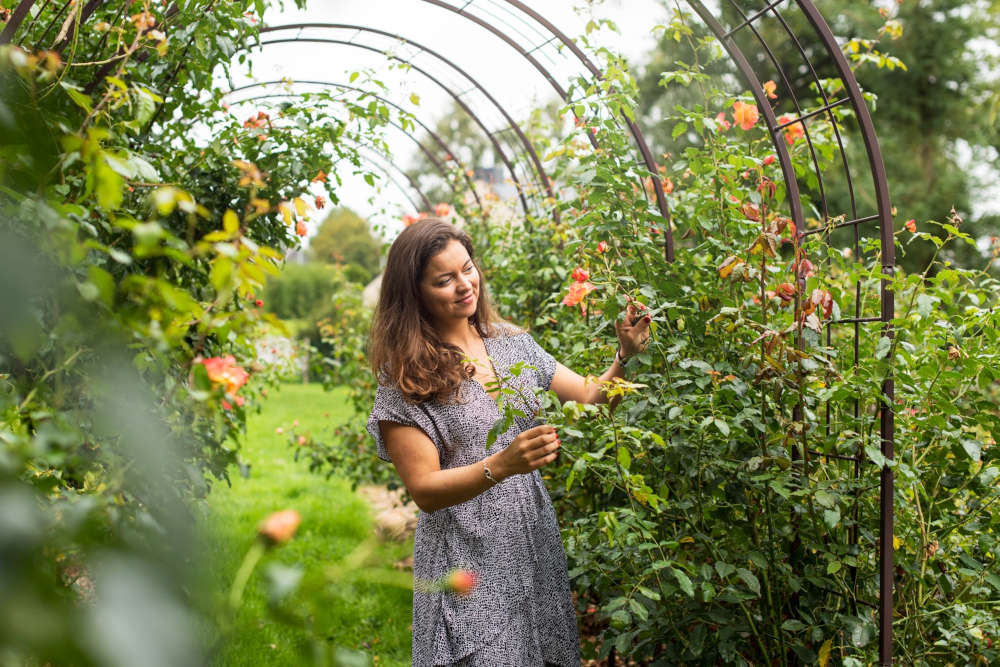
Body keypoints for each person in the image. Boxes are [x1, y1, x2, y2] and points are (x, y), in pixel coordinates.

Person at [366, 219, 651, 666]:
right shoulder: (407, 378)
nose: (465, 285)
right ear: (415, 292)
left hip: (529, 539)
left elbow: (591, 398)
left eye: (467, 269)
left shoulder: (511, 343)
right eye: (445, 280)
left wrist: (624, 356)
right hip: (466, 555)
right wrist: (502, 464)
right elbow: (422, 489)